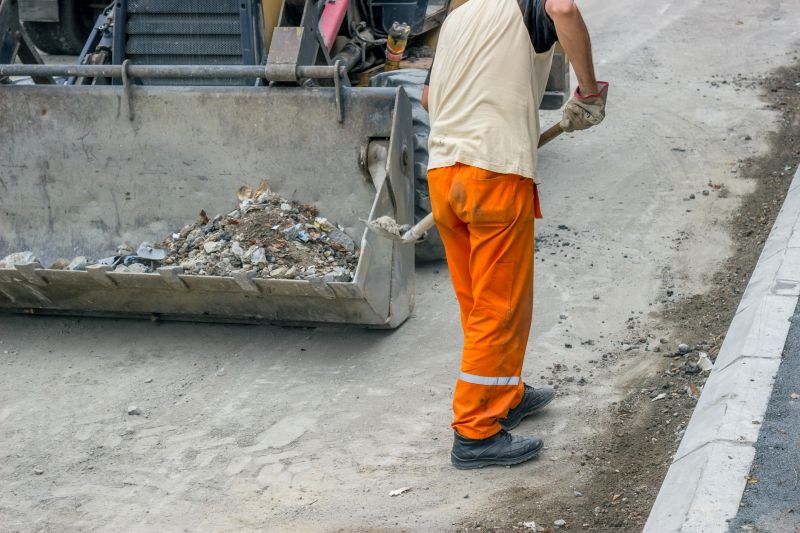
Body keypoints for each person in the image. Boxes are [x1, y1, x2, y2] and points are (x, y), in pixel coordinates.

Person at [421, 0, 608, 469]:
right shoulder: (521, 6)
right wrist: (588, 92)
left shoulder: (457, 19)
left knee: (478, 304)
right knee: (500, 307)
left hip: (445, 176)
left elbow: (428, 99)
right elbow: (563, 9)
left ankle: (505, 393)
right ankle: (476, 433)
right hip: (494, 175)